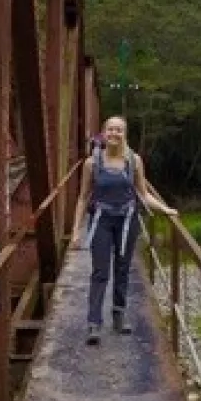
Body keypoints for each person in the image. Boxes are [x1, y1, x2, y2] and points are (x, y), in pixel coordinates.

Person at [70, 115, 176, 345]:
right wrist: (76, 230)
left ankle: (118, 314)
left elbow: (143, 193)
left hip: (127, 220)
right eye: (110, 130)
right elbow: (82, 197)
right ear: (104, 133)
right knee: (100, 271)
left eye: (119, 130)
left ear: (124, 134)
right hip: (101, 221)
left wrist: (165, 210)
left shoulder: (133, 161)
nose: (114, 134)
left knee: (122, 268)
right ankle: (94, 323)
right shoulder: (92, 163)